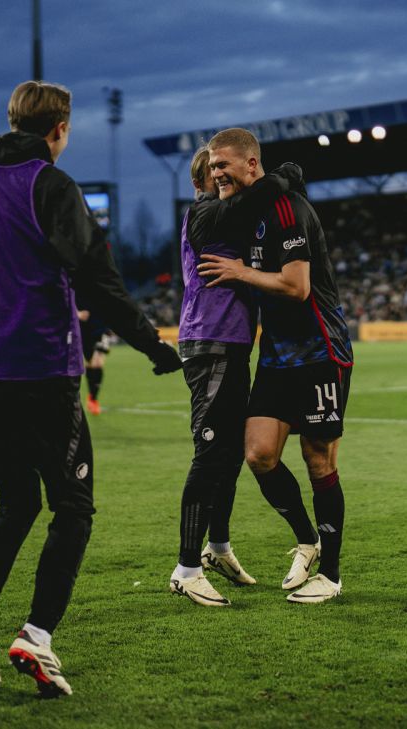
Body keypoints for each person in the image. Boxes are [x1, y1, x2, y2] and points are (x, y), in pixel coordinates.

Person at [0, 81, 182, 697]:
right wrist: (155, 347)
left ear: (11, 120)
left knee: (17, 501)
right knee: (72, 508)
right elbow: (98, 281)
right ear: (60, 129)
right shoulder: (51, 185)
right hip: (41, 375)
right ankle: (37, 638)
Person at [197, 128, 353, 605]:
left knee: (318, 457)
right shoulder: (245, 212)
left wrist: (241, 272)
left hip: (320, 351)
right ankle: (308, 539)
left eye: (224, 165)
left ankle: (331, 574)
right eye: (212, 165)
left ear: (251, 164)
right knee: (259, 454)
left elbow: (297, 286)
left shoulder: (289, 209)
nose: (216, 173)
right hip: (277, 355)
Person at [167, 148, 302, 607]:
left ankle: (217, 548)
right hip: (210, 343)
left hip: (230, 342)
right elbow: (250, 201)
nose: (223, 178)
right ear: (201, 181)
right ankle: (186, 569)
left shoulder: (226, 216)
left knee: (226, 455)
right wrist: (283, 176)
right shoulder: (205, 212)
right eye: (215, 171)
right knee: (210, 454)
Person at [76, 309, 110, 415]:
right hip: (84, 329)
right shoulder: (77, 292)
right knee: (90, 364)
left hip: (101, 329)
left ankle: (93, 398)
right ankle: (91, 396)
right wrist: (77, 313)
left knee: (98, 363)